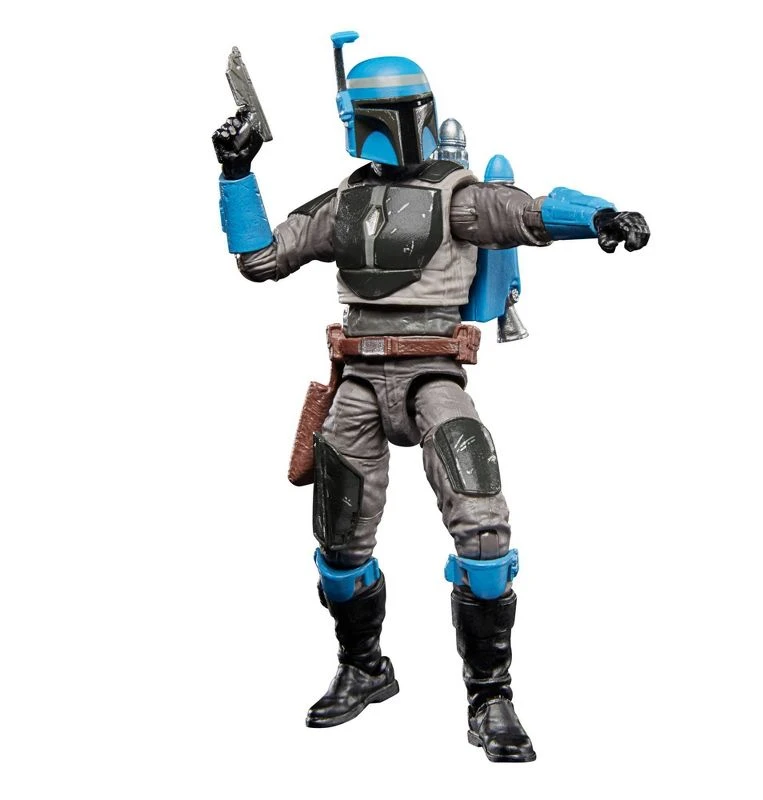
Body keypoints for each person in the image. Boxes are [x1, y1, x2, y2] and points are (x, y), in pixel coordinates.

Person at [212, 31, 650, 763]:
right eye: (383, 115)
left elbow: (530, 212)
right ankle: (363, 668)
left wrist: (602, 216)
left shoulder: (456, 198)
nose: (396, 129)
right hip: (356, 379)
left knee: (483, 528)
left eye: (405, 112)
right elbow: (261, 258)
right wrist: (236, 171)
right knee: (339, 540)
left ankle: (490, 695)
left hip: (432, 375)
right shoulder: (342, 202)